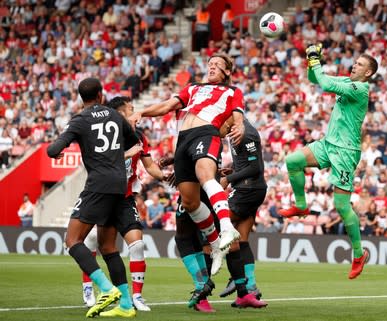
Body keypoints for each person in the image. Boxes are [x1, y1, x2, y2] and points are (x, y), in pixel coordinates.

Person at [135, 52, 245, 276]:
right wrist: (142, 112)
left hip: (207, 133)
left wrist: (240, 125)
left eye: (217, 65)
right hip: (182, 141)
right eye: (210, 64)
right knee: (190, 201)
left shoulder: (232, 91)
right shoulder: (193, 88)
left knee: (205, 176)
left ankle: (226, 228)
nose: (212, 67)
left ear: (227, 71)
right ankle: (215, 245)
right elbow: (167, 106)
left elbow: (238, 116)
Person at [279, 45, 378, 280]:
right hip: (327, 144)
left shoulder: (360, 88)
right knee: (292, 161)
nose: (355, 65)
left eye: (360, 65)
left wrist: (315, 59)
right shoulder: (348, 80)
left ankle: (357, 254)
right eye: (355, 62)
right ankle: (302, 205)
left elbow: (325, 84)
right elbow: (316, 78)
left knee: (342, 206)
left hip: (345, 151)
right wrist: (312, 60)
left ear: (368, 73)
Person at [47, 78, 139, 318]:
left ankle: (106, 289)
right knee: (108, 246)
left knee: (72, 241)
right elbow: (132, 141)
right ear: (100, 94)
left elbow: (52, 150)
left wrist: (59, 153)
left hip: (98, 185)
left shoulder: (79, 120)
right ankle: (127, 306)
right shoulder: (115, 115)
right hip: (120, 184)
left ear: (81, 97)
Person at [80, 96, 169, 311]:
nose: (136, 113)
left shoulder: (139, 137)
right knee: (92, 240)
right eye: (131, 109)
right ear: (120, 114)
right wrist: (127, 154)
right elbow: (101, 164)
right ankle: (88, 288)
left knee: (137, 245)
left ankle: (137, 296)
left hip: (125, 197)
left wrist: (168, 175)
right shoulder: (105, 134)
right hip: (101, 194)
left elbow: (150, 167)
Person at [218, 117, 268, 308]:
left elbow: (255, 167)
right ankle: (251, 286)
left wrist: (229, 178)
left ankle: (237, 278)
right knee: (241, 240)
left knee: (219, 223)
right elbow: (247, 164)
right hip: (251, 189)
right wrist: (232, 170)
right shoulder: (236, 131)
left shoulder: (246, 133)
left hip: (248, 191)